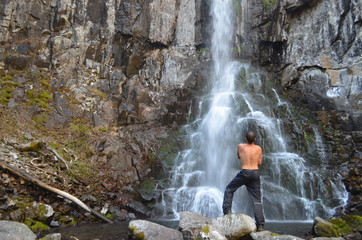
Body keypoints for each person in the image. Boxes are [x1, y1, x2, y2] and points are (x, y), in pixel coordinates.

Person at [222, 131, 265, 231]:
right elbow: (260, 162)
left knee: (229, 189)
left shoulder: (241, 146)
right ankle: (260, 225)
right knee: (256, 199)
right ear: (255, 139)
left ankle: (227, 212)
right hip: (255, 173)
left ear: (245, 139)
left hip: (245, 172)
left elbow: (239, 156)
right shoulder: (258, 148)